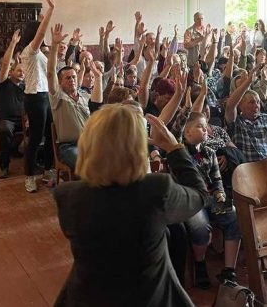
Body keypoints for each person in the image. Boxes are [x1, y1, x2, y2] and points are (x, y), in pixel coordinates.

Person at [53, 106, 210, 307]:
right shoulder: (156, 190)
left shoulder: (67, 196)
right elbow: (200, 195)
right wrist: (174, 148)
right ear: (137, 148)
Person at [181, 112, 240, 289]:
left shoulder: (210, 152)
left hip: (210, 198)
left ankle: (229, 270)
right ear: (187, 132)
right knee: (201, 227)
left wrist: (220, 192)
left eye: (205, 126)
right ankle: (199, 263)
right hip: (191, 200)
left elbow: (216, 178)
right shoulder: (180, 153)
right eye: (200, 126)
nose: (205, 130)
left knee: (234, 217)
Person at [47, 24, 104, 172]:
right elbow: (51, 73)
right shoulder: (57, 97)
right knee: (89, 164)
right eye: (67, 78)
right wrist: (54, 45)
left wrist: (98, 78)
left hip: (90, 143)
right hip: (70, 147)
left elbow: (97, 103)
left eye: (73, 77)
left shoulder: (84, 95)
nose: (72, 80)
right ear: (60, 82)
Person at [19, 0, 56, 193]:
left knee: (50, 135)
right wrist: (51, 9)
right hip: (34, 97)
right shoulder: (29, 51)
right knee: (35, 138)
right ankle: (30, 177)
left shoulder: (39, 52)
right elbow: (41, 34)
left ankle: (48, 170)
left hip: (46, 96)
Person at [224, 65, 267, 163]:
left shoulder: (266, 118)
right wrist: (248, 82)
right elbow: (230, 106)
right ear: (240, 105)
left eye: (258, 102)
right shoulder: (236, 122)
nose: (256, 106)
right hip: (248, 168)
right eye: (251, 102)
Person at [0, 30, 25, 179]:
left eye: (24, 72)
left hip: (23, 120)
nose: (22, 73)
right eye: (19, 71)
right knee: (5, 129)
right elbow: (6, 63)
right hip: (7, 120)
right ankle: (3, 166)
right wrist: (13, 43)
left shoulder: (26, 86)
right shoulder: (3, 82)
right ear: (11, 72)